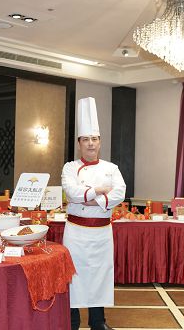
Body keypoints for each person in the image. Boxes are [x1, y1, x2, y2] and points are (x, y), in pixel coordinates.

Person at [61, 97, 126, 330]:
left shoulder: (111, 168)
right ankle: (73, 322)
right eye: (86, 139)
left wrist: (89, 197)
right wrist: (99, 191)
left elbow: (120, 192)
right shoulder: (70, 167)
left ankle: (98, 322)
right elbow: (72, 192)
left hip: (102, 232)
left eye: (95, 139)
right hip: (76, 232)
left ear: (100, 142)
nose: (91, 144)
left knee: (100, 276)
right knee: (75, 276)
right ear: (79, 143)